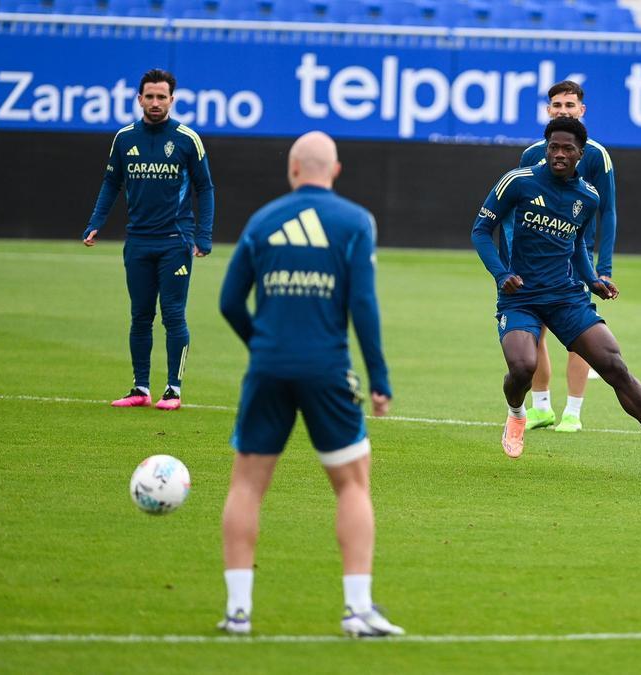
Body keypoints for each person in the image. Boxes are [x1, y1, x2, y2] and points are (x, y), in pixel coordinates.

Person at [217, 131, 403, 638]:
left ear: (293, 168)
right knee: (352, 483)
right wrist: (379, 378)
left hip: (268, 367)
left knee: (247, 485)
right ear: (335, 171)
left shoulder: (262, 220)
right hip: (327, 369)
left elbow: (229, 301)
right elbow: (362, 305)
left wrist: (262, 346)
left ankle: (238, 611)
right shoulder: (355, 221)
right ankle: (357, 609)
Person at [471, 117, 641, 476]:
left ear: (581, 153)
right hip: (521, 297)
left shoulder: (588, 196)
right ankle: (516, 413)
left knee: (614, 365)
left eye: (567, 149)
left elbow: (577, 243)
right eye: (553, 147)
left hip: (566, 297)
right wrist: (501, 274)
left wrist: (592, 279)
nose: (559, 154)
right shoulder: (518, 181)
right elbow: (481, 230)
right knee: (522, 367)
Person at [82, 68, 215, 411]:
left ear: (172, 99)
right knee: (140, 315)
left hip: (175, 241)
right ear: (139, 99)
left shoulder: (187, 139)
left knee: (173, 315)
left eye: (162, 97)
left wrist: (203, 235)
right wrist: (96, 222)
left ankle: (173, 389)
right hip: (138, 242)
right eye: (150, 96)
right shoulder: (124, 138)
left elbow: (205, 187)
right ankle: (140, 388)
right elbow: (111, 182)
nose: (156, 102)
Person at [518, 81, 618, 433]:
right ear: (548, 110)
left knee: (578, 335)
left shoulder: (596, 155)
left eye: (570, 105)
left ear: (581, 110)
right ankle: (541, 407)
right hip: (535, 260)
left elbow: (608, 212)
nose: (563, 110)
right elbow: (515, 211)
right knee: (534, 331)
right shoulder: (532, 155)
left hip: (577, 259)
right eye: (557, 105)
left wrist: (603, 268)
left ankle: (573, 412)